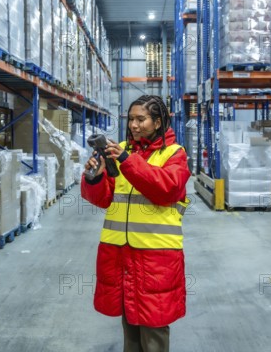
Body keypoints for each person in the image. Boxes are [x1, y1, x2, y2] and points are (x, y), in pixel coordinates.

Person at [81, 95, 191, 352]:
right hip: (119, 252)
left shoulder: (174, 154)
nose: (133, 125)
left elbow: (167, 189)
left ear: (159, 122)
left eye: (141, 119)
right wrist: (94, 178)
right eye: (131, 119)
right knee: (129, 325)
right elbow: (104, 199)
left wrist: (127, 162)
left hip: (156, 256)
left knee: (153, 330)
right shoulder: (121, 150)